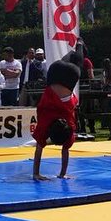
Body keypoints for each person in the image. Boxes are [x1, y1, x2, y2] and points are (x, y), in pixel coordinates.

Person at [32, 51, 82, 181]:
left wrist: (36, 174)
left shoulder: (67, 125)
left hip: (66, 81)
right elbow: (62, 151)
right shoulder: (48, 123)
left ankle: (78, 48)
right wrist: (61, 174)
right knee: (68, 63)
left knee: (75, 62)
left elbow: (63, 151)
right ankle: (77, 49)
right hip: (55, 78)